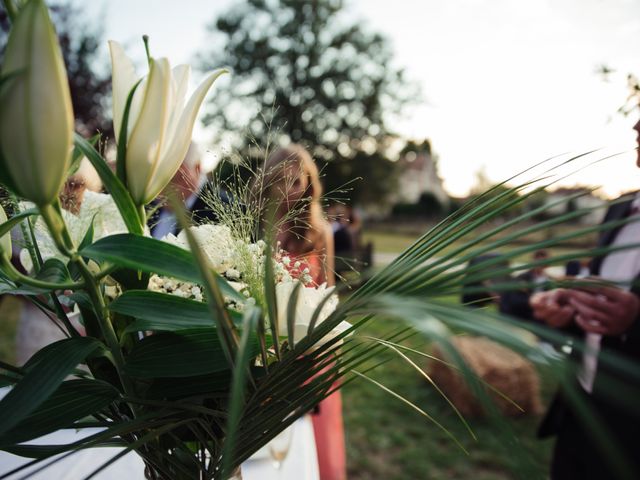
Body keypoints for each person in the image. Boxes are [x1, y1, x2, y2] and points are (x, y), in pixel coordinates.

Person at [530, 118, 640, 479]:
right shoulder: (620, 210)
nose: (636, 123)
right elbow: (605, 292)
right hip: (580, 406)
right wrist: (568, 307)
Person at [262, 144, 346, 480]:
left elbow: (328, 292)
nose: (289, 190)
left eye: (297, 181)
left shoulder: (320, 231)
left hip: (308, 344)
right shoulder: (258, 225)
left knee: (311, 433)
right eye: (282, 181)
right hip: (268, 345)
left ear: (309, 184)